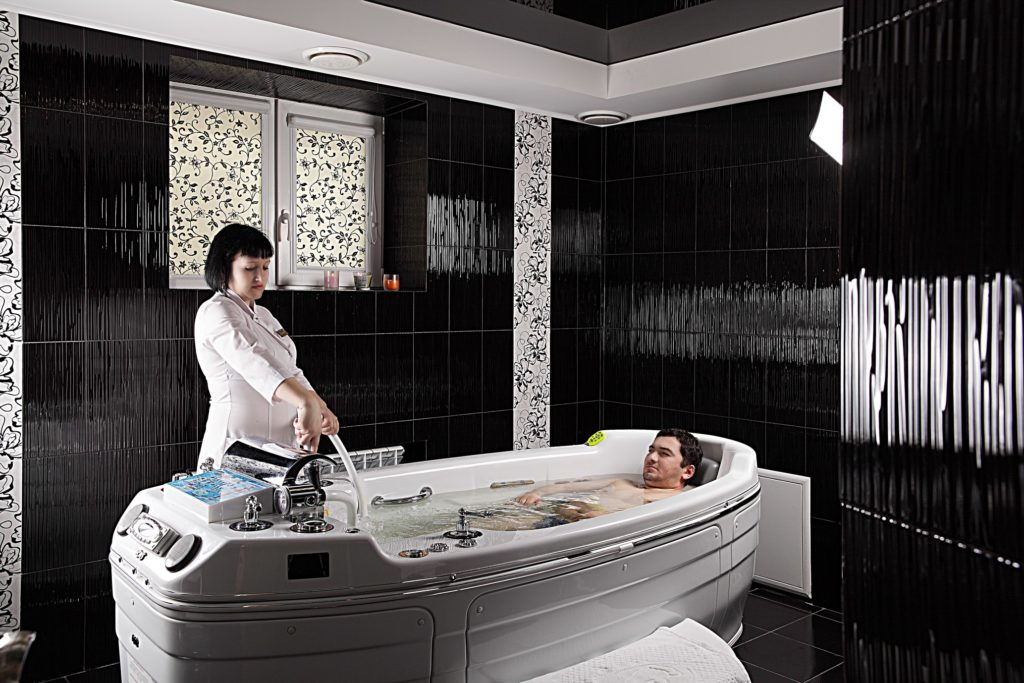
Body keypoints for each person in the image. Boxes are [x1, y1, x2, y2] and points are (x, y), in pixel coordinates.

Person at [194, 224, 340, 469]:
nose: (260, 277)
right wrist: (305, 402)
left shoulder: (263, 315)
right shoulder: (216, 311)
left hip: (279, 447)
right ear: (224, 268)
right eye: (250, 268)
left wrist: (319, 405)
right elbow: (255, 362)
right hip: (236, 444)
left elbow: (288, 369)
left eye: (265, 267)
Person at [512, 428, 703, 521]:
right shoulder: (621, 482)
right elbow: (563, 487)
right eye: (651, 450)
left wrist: (588, 513)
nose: (652, 458)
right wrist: (536, 493)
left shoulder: (677, 501)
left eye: (664, 454)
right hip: (551, 518)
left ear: (687, 471)